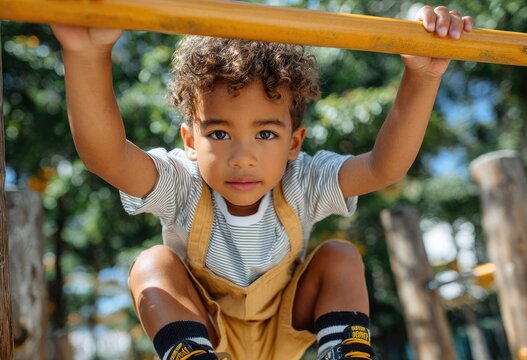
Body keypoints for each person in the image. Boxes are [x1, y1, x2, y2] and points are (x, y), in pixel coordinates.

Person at [51, 5, 472, 360]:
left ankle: (344, 351)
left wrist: (422, 76)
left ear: (294, 142)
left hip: (288, 325)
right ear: (190, 141)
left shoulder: (303, 181)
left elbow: (384, 168)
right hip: (205, 331)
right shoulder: (183, 184)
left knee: (340, 257)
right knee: (152, 264)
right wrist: (86, 54)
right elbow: (107, 158)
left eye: (265, 134)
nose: (243, 157)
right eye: (219, 134)